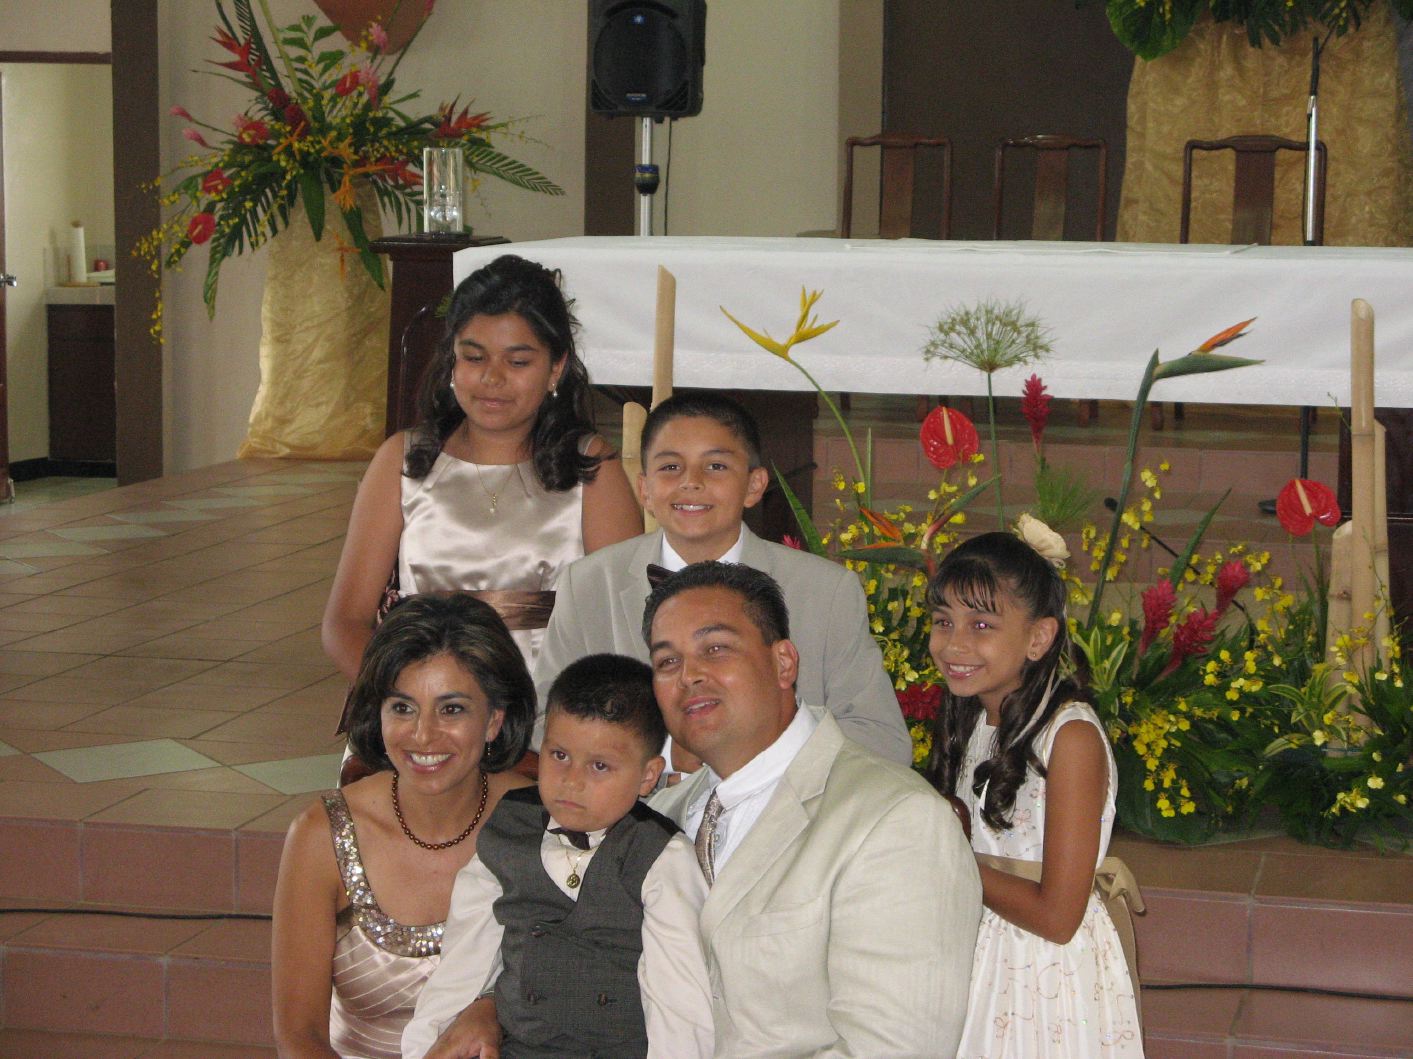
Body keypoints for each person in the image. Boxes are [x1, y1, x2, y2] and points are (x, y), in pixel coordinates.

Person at [644, 561, 981, 1056]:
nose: (689, 675)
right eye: (667, 662)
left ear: (784, 663)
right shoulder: (657, 818)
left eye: (715, 649)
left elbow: (893, 1048)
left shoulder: (894, 819)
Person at [532, 391, 912, 767]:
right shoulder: (589, 584)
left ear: (754, 485)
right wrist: (662, 757)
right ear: (644, 489)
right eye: (670, 467)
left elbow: (882, 739)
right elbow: (544, 721)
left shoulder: (825, 591)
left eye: (715, 466)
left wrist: (754, 760)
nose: (691, 482)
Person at [321, 252, 641, 689]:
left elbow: (622, 621)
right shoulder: (404, 460)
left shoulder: (589, 467)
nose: (492, 378)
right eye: (474, 358)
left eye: (518, 362)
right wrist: (410, 700)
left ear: (556, 368)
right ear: (452, 361)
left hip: (550, 701)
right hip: (420, 700)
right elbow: (344, 622)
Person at [402, 654, 713, 1059]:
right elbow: (461, 965)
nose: (571, 781)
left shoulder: (660, 858)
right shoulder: (509, 832)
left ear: (647, 775)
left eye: (599, 766)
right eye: (560, 755)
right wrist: (423, 1049)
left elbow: (681, 1008)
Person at [272, 594, 536, 1059]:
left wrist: (492, 1009)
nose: (422, 735)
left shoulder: (538, 823)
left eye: (452, 709)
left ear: (494, 720)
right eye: (402, 708)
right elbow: (299, 1035)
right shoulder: (324, 836)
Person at [924, 530, 1144, 1057]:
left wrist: (939, 855)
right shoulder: (974, 718)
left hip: (1040, 974)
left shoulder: (1069, 737)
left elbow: (1057, 917)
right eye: (942, 621)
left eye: (981, 625)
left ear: (1039, 638)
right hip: (974, 947)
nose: (953, 644)